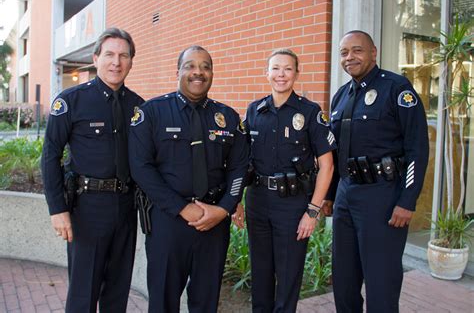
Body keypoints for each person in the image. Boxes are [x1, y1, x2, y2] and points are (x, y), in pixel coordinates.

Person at [128, 45, 249, 312]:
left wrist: (225, 207)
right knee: (162, 301)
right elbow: (141, 168)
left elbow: (239, 168)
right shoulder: (151, 113)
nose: (198, 72)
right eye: (191, 66)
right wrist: (182, 208)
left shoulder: (228, 118)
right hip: (168, 222)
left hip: (214, 223)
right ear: (178, 71)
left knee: (206, 302)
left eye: (206, 66)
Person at [324, 30, 429, 312]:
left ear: (374, 52)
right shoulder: (340, 97)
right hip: (347, 195)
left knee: (381, 280)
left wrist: (407, 200)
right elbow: (337, 151)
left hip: (383, 195)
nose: (350, 57)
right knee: (344, 279)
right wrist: (332, 194)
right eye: (344, 53)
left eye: (357, 50)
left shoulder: (396, 88)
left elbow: (417, 148)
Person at [41, 28, 144, 312]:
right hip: (87, 209)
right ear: (95, 58)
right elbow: (50, 154)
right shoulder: (71, 101)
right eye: (109, 54)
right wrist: (57, 209)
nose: (116, 62)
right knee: (83, 293)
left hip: (125, 207)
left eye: (124, 55)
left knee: (117, 291)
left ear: (131, 62)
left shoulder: (138, 107)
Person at [233, 48, 335, 312]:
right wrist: (236, 201)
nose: (281, 74)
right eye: (276, 68)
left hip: (293, 205)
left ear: (297, 74)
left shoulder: (310, 112)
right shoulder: (254, 110)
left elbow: (327, 165)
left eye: (288, 68)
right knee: (261, 274)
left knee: (288, 277)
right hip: (258, 200)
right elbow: (242, 161)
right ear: (266, 73)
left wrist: (312, 212)